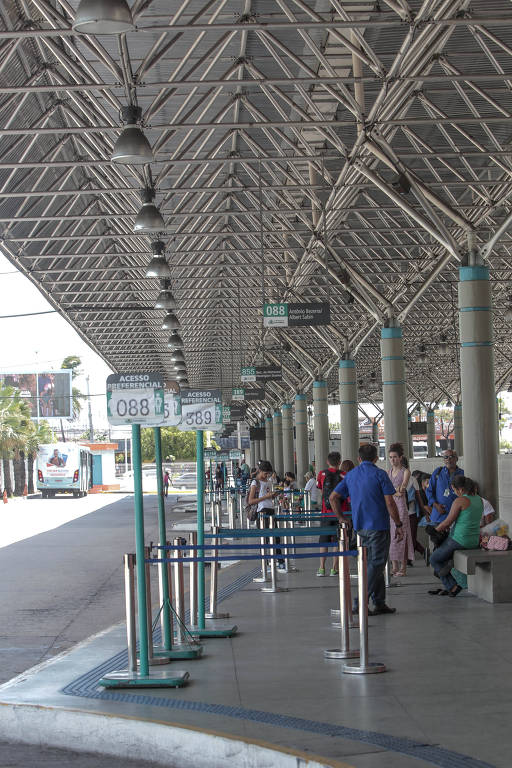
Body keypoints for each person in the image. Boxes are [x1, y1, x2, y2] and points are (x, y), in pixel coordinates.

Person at [329, 443, 404, 616]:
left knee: (372, 565)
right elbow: (390, 502)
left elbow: (333, 497)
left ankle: (379, 602)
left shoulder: (350, 475)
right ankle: (360, 601)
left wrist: (341, 518)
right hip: (378, 527)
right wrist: (398, 524)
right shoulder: (380, 474)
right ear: (376, 458)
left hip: (359, 528)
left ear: (358, 458)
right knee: (376, 564)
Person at [428, 475, 483, 597]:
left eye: (454, 490)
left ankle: (452, 586)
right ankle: (449, 567)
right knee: (444, 553)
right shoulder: (479, 499)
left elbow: (447, 522)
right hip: (474, 540)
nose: (454, 492)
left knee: (434, 559)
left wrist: (433, 530)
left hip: (460, 539)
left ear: (461, 489)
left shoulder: (460, 501)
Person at [247, 460, 283, 569]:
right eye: (265, 473)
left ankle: (280, 560)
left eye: (268, 474)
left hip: (270, 509)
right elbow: (251, 501)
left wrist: (274, 494)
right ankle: (266, 561)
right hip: (262, 512)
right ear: (260, 471)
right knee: (266, 539)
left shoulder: (268, 482)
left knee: (276, 537)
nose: (267, 476)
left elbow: (267, 495)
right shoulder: (255, 483)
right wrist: (266, 497)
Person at [387, 444, 414, 576]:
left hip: (401, 506)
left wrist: (394, 491)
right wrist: (395, 491)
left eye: (395, 457)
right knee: (392, 536)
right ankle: (394, 566)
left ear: (400, 457)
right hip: (391, 506)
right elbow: (392, 491)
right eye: (391, 457)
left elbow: (402, 490)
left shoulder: (406, 471)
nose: (392, 460)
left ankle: (403, 567)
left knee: (402, 534)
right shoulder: (388, 472)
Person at [316, 451, 343, 577]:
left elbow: (321, 490)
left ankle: (321, 568)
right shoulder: (344, 475)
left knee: (324, 540)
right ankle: (334, 568)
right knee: (338, 541)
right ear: (339, 462)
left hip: (325, 513)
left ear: (327, 462)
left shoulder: (321, 474)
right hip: (340, 513)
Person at [426, 450, 464, 523]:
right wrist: (436, 505)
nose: (448, 459)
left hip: (456, 516)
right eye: (446, 457)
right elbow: (429, 491)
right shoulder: (438, 472)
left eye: (451, 457)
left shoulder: (462, 473)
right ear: (443, 460)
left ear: (456, 459)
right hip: (439, 515)